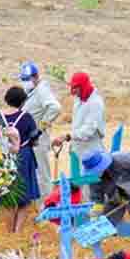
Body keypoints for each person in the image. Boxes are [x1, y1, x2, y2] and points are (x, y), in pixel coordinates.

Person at [52, 72, 106, 204]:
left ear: (83, 86)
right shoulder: (79, 99)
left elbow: (88, 130)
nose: (72, 91)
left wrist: (68, 136)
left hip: (91, 150)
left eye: (75, 88)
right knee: (79, 187)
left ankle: (91, 219)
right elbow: (77, 125)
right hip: (79, 149)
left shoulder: (95, 103)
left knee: (89, 188)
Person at [81, 149, 130, 242]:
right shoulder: (94, 178)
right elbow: (97, 199)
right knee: (106, 222)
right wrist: (95, 216)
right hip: (116, 198)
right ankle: (110, 243)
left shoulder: (120, 159)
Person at [19, 62, 61, 201]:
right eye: (23, 79)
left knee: (42, 174)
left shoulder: (42, 90)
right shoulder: (31, 91)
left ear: (36, 76)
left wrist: (40, 128)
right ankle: (38, 206)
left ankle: (46, 207)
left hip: (38, 138)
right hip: (30, 139)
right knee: (35, 174)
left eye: (28, 79)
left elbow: (55, 108)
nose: (25, 82)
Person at [2, 86, 41, 233]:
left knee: (9, 198)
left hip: (3, 158)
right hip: (23, 158)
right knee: (25, 199)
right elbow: (35, 141)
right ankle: (17, 232)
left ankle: (8, 232)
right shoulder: (26, 117)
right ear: (22, 102)